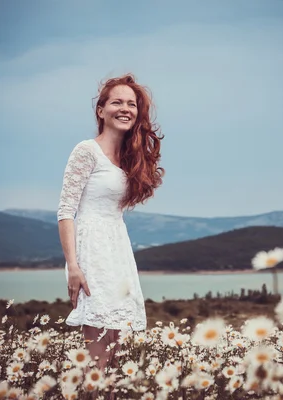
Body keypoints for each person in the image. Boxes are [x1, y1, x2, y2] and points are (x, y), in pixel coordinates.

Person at [57, 74, 164, 375]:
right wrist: (73, 267)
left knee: (115, 350)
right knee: (98, 357)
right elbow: (66, 211)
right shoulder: (85, 151)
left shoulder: (128, 157)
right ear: (101, 110)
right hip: (91, 249)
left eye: (131, 104)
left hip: (117, 246)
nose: (125, 108)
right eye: (117, 102)